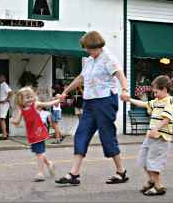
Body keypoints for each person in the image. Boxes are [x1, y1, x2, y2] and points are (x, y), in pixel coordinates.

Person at [55, 31, 130, 186]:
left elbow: (120, 74)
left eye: (88, 48)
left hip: (105, 101)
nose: (87, 51)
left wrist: (124, 90)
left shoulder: (107, 57)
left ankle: (121, 171)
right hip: (89, 102)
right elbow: (81, 78)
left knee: (106, 136)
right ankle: (74, 174)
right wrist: (65, 91)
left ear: (96, 46)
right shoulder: (89, 60)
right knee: (81, 134)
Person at [126, 75, 173, 196]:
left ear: (164, 89)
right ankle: (152, 181)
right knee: (143, 159)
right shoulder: (157, 101)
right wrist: (129, 100)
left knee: (153, 162)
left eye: (156, 91)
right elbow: (144, 104)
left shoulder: (169, 101)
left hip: (160, 137)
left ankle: (158, 186)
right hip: (151, 136)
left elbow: (167, 119)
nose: (155, 94)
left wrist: (156, 128)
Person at [10, 87, 60, 182]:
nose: (30, 99)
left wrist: (58, 100)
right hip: (32, 135)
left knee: (39, 153)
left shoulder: (35, 104)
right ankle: (49, 164)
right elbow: (17, 122)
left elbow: (47, 104)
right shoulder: (22, 109)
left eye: (31, 96)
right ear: (21, 100)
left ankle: (40, 173)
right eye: (27, 97)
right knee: (39, 152)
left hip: (39, 132)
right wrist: (12, 120)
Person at [0, 75, 13, 140]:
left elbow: (10, 92)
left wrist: (6, 100)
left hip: (4, 104)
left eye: (1, 78)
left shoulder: (4, 85)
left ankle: (4, 135)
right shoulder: (2, 85)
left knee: (2, 119)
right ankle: (4, 133)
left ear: (4, 79)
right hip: (2, 103)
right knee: (1, 119)